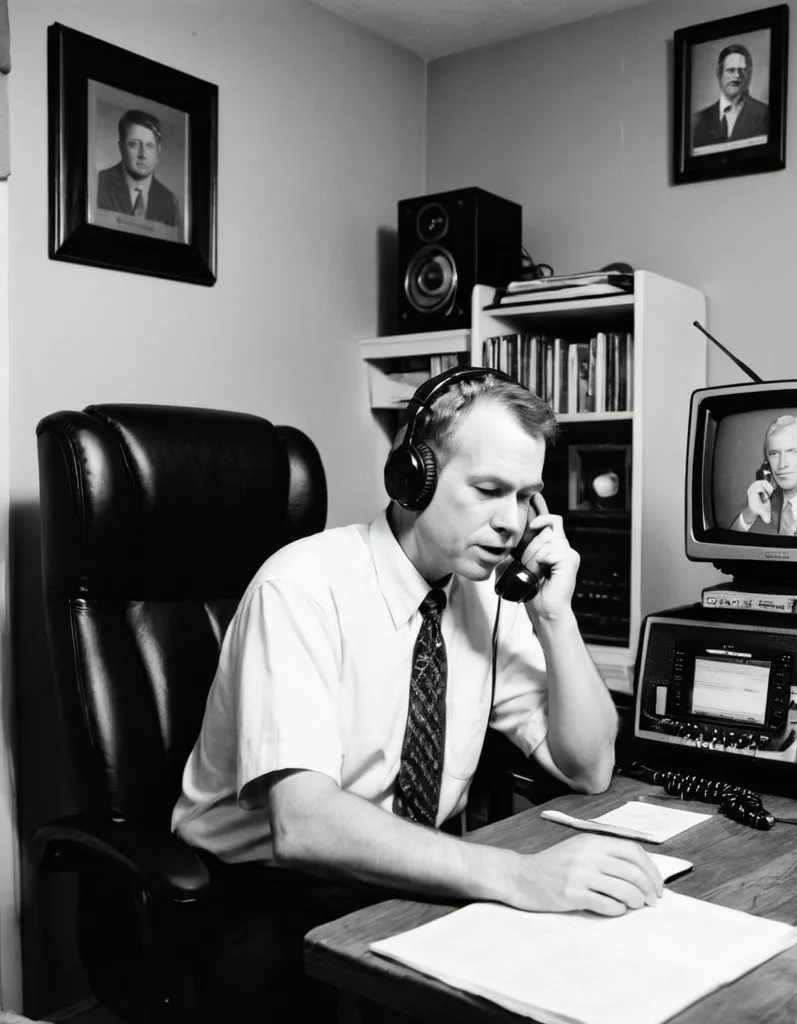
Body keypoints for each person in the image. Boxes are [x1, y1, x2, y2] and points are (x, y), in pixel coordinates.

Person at [171, 369, 662, 1020]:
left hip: (407, 875)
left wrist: (554, 617)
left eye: (526, 498)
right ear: (413, 476)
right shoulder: (300, 589)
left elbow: (589, 765)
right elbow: (304, 825)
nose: (511, 523)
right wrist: (516, 875)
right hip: (256, 897)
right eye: (489, 490)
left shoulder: (488, 593)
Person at [96, 109, 181, 234]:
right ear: (121, 148)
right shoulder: (97, 184)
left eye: (149, 145)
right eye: (134, 144)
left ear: (158, 150)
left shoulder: (169, 201)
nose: (142, 155)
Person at [691, 43, 769, 149]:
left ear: (749, 74)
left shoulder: (766, 115)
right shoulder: (698, 120)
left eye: (741, 70)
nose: (737, 76)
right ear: (719, 72)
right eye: (730, 70)